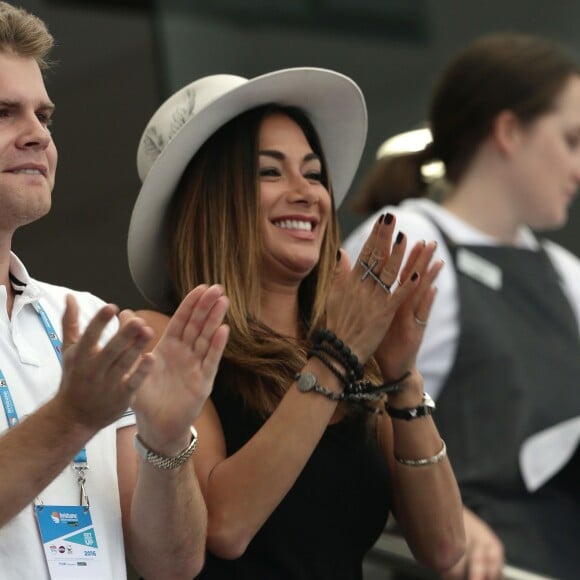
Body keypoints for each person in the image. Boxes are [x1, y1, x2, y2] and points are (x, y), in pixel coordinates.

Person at [127, 67, 465, 578]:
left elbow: (443, 547)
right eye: (270, 172)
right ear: (213, 200)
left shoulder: (351, 354)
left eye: (312, 172)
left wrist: (401, 376)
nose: (307, 192)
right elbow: (225, 527)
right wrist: (335, 357)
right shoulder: (161, 337)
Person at [0, 3, 230, 578]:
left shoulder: (83, 316)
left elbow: (172, 564)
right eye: (4, 112)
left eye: (44, 116)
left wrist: (166, 439)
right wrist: (73, 417)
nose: (37, 135)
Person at [344, 33, 580, 580]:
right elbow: (344, 414)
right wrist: (445, 516)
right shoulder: (412, 239)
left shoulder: (565, 275)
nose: (578, 167)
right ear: (508, 131)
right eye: (570, 141)